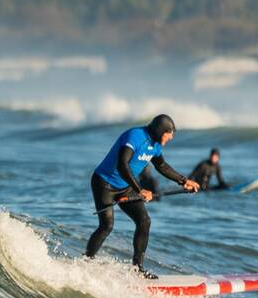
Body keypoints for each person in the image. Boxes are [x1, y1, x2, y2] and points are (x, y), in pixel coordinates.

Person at [84, 114, 200, 278]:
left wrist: (183, 180)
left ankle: (137, 269)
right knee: (106, 226)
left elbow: (161, 165)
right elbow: (122, 164)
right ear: (161, 131)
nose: (170, 139)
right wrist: (140, 190)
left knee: (144, 221)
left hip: (125, 187)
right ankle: (86, 261)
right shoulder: (135, 136)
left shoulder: (155, 144)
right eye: (169, 134)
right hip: (104, 184)